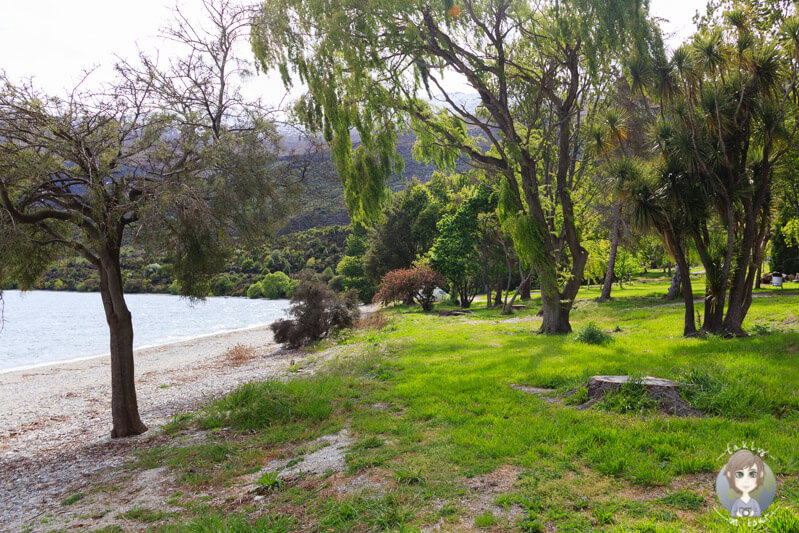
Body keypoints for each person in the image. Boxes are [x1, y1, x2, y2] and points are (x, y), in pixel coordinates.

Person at [724, 449, 765, 517]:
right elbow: (733, 513)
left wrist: (752, 514)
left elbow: (758, 513)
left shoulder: (754, 502)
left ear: (760, 475)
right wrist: (738, 514)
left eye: (752, 474)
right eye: (739, 474)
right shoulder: (737, 502)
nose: (746, 480)